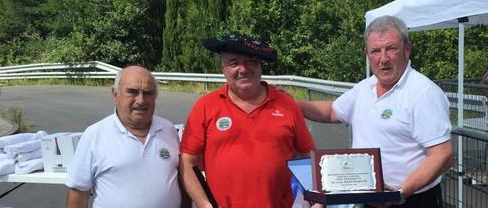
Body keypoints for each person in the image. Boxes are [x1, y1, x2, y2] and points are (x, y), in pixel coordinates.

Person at [297, 16, 453, 208]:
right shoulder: (365, 87)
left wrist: (400, 193)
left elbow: (443, 155)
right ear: (367, 54)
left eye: (391, 48)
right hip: (372, 200)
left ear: (407, 49)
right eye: (376, 51)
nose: (383, 58)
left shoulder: (423, 93)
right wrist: (290, 104)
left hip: (410, 200)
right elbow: (331, 112)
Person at [180, 34, 316, 208]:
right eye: (234, 63)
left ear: (260, 67)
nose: (243, 69)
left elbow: (309, 158)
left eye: (251, 61)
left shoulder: (287, 105)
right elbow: (187, 162)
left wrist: (315, 201)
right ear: (223, 69)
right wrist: (204, 204)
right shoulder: (205, 106)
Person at [66, 66, 187, 208]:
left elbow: (181, 182)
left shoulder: (169, 130)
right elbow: (78, 196)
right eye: (132, 92)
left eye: (148, 93)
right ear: (115, 95)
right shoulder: (94, 135)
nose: (141, 100)